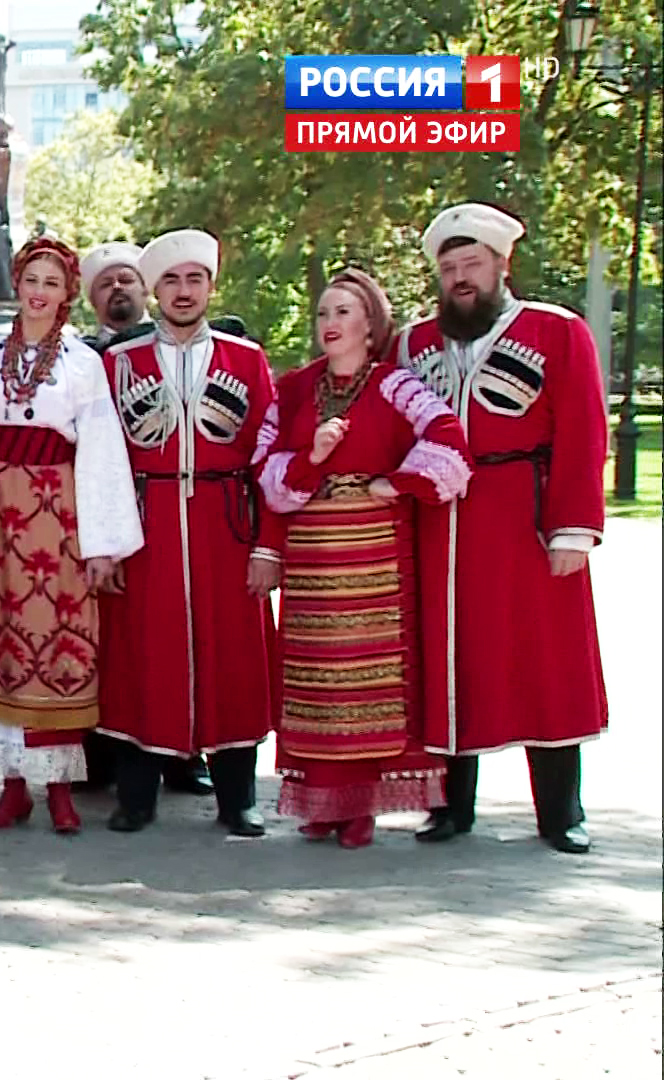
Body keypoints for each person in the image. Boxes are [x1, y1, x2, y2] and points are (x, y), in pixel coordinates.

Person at [399, 202, 609, 854]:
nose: (462, 278)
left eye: (473, 265)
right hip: (439, 524)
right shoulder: (414, 342)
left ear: (501, 264)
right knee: (447, 658)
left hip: (526, 516)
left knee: (545, 661)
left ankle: (559, 813)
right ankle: (449, 808)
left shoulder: (556, 330)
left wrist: (573, 527)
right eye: (451, 267)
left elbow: (582, 430)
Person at [257, 268, 471, 847]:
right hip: (312, 556)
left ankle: (363, 807)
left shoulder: (394, 385)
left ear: (372, 325)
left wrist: (397, 482)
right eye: (324, 313)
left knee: (368, 680)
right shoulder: (296, 388)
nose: (331, 324)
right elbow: (265, 466)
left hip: (375, 554)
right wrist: (312, 458)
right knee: (318, 682)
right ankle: (324, 801)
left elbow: (449, 437)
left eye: (344, 313)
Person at [0, 237, 142, 834]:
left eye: (52, 282)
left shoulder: (83, 363)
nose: (39, 291)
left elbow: (103, 452)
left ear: (66, 295)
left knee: (54, 640)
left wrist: (103, 544)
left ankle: (57, 786)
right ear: (17, 282)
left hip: (56, 516)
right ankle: (11, 788)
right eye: (32, 278)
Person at [95, 229, 280, 837]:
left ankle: (237, 798)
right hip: (146, 523)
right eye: (171, 281)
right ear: (154, 289)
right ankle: (137, 797)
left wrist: (267, 545)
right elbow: (101, 461)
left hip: (225, 523)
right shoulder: (120, 362)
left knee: (233, 658)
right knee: (140, 655)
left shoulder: (247, 360)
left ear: (210, 286)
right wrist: (107, 543)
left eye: (194, 279)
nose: (182, 291)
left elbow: (270, 458)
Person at [77, 240, 217, 797]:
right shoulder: (89, 359)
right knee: (119, 645)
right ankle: (107, 757)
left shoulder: (205, 344)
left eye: (126, 281)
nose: (119, 290)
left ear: (147, 290)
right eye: (106, 283)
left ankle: (188, 755)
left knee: (190, 632)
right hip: (124, 511)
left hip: (191, 508)